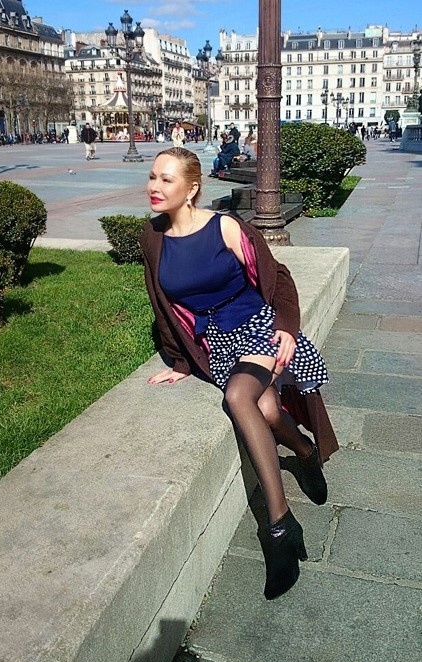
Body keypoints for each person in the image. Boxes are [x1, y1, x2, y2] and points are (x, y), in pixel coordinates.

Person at [141, 148, 338, 600]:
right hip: (217, 344)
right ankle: (305, 452)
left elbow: (278, 277)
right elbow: (162, 306)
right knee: (264, 409)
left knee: (237, 398)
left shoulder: (226, 226)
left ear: (192, 188)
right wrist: (179, 362)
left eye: (167, 179)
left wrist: (286, 327)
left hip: (258, 328)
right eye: (152, 177)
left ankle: (279, 526)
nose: (154, 186)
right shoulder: (152, 237)